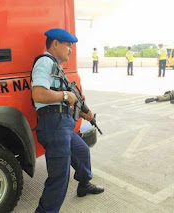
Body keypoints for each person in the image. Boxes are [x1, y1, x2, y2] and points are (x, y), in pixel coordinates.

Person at [31, 28, 104, 213]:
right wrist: (66, 95)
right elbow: (38, 94)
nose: (70, 50)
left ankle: (84, 183)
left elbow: (66, 100)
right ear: (55, 43)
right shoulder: (45, 62)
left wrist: (83, 112)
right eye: (68, 45)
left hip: (62, 124)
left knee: (81, 151)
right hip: (54, 124)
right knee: (59, 177)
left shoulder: (57, 67)